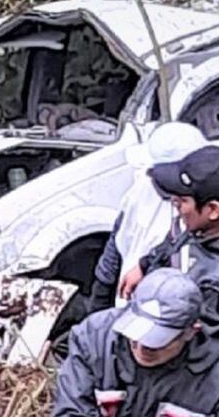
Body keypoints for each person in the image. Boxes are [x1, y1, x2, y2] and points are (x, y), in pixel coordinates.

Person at [52, 268, 219, 417]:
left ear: (191, 331)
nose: (141, 348)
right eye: (135, 335)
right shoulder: (94, 338)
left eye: (156, 343)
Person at [119, 145, 219, 345]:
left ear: (213, 209)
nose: (175, 204)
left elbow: (200, 346)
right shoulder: (215, 219)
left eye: (181, 201)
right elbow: (177, 240)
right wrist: (145, 264)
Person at [86, 122, 208, 314]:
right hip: (131, 305)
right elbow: (118, 240)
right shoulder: (143, 188)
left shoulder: (203, 208)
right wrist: (100, 301)